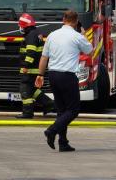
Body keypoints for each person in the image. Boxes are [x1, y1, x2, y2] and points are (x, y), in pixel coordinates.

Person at [36, 10, 93, 152]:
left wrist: (40, 75)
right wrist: (84, 35)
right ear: (76, 21)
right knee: (73, 110)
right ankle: (52, 130)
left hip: (53, 75)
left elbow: (44, 57)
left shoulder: (52, 35)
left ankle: (63, 142)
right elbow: (89, 51)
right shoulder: (76, 36)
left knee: (62, 110)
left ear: (63, 19)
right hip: (67, 76)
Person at [16, 13, 54, 119]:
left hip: (29, 69)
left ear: (24, 26)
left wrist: (25, 66)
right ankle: (49, 104)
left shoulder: (31, 35)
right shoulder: (36, 33)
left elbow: (31, 52)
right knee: (33, 90)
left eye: (21, 26)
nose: (20, 28)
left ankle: (27, 113)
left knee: (25, 90)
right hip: (35, 68)